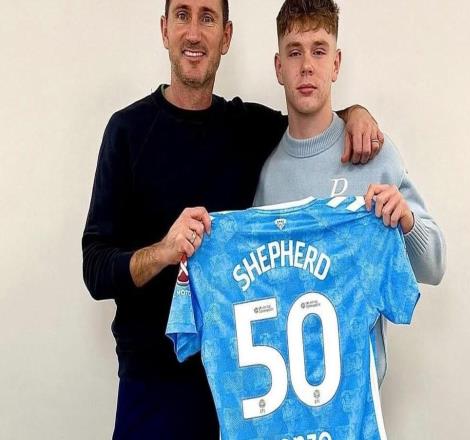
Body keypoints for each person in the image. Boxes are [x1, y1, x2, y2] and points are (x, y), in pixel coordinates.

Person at [82, 0, 383, 438]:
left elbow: (311, 121)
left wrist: (355, 114)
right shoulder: (126, 131)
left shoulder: (248, 128)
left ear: (225, 36)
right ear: (165, 29)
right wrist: (164, 251)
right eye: (182, 15)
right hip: (152, 387)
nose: (193, 32)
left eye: (207, 17)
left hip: (244, 389)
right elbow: (95, 268)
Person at [253, 0, 446, 385]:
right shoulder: (268, 174)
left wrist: (406, 222)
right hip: (288, 398)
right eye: (294, 52)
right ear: (279, 67)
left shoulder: (373, 151)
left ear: (336, 63)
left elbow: (434, 268)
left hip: (360, 399)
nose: (307, 66)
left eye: (319, 51)